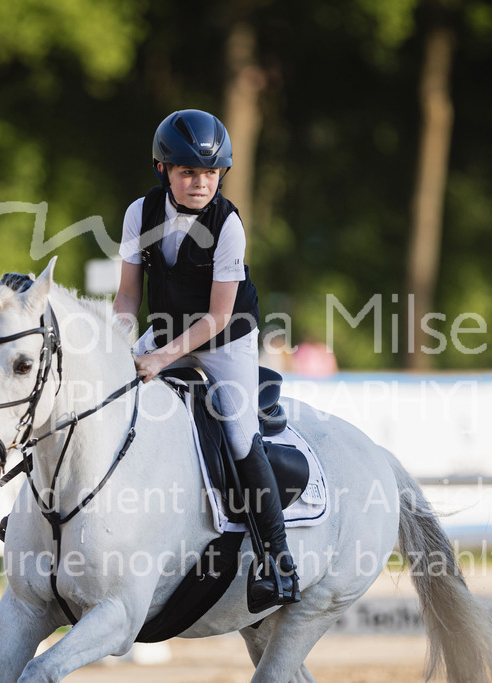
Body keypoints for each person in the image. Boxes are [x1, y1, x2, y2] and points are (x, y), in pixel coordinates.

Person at [113, 109, 299, 608]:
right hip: (165, 330)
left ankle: (278, 563)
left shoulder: (228, 224)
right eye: (188, 172)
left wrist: (160, 359)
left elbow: (217, 316)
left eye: (211, 173)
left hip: (224, 340)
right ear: (163, 169)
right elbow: (128, 297)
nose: (200, 183)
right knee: (102, 393)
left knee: (239, 435)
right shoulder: (139, 213)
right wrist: (116, 346)